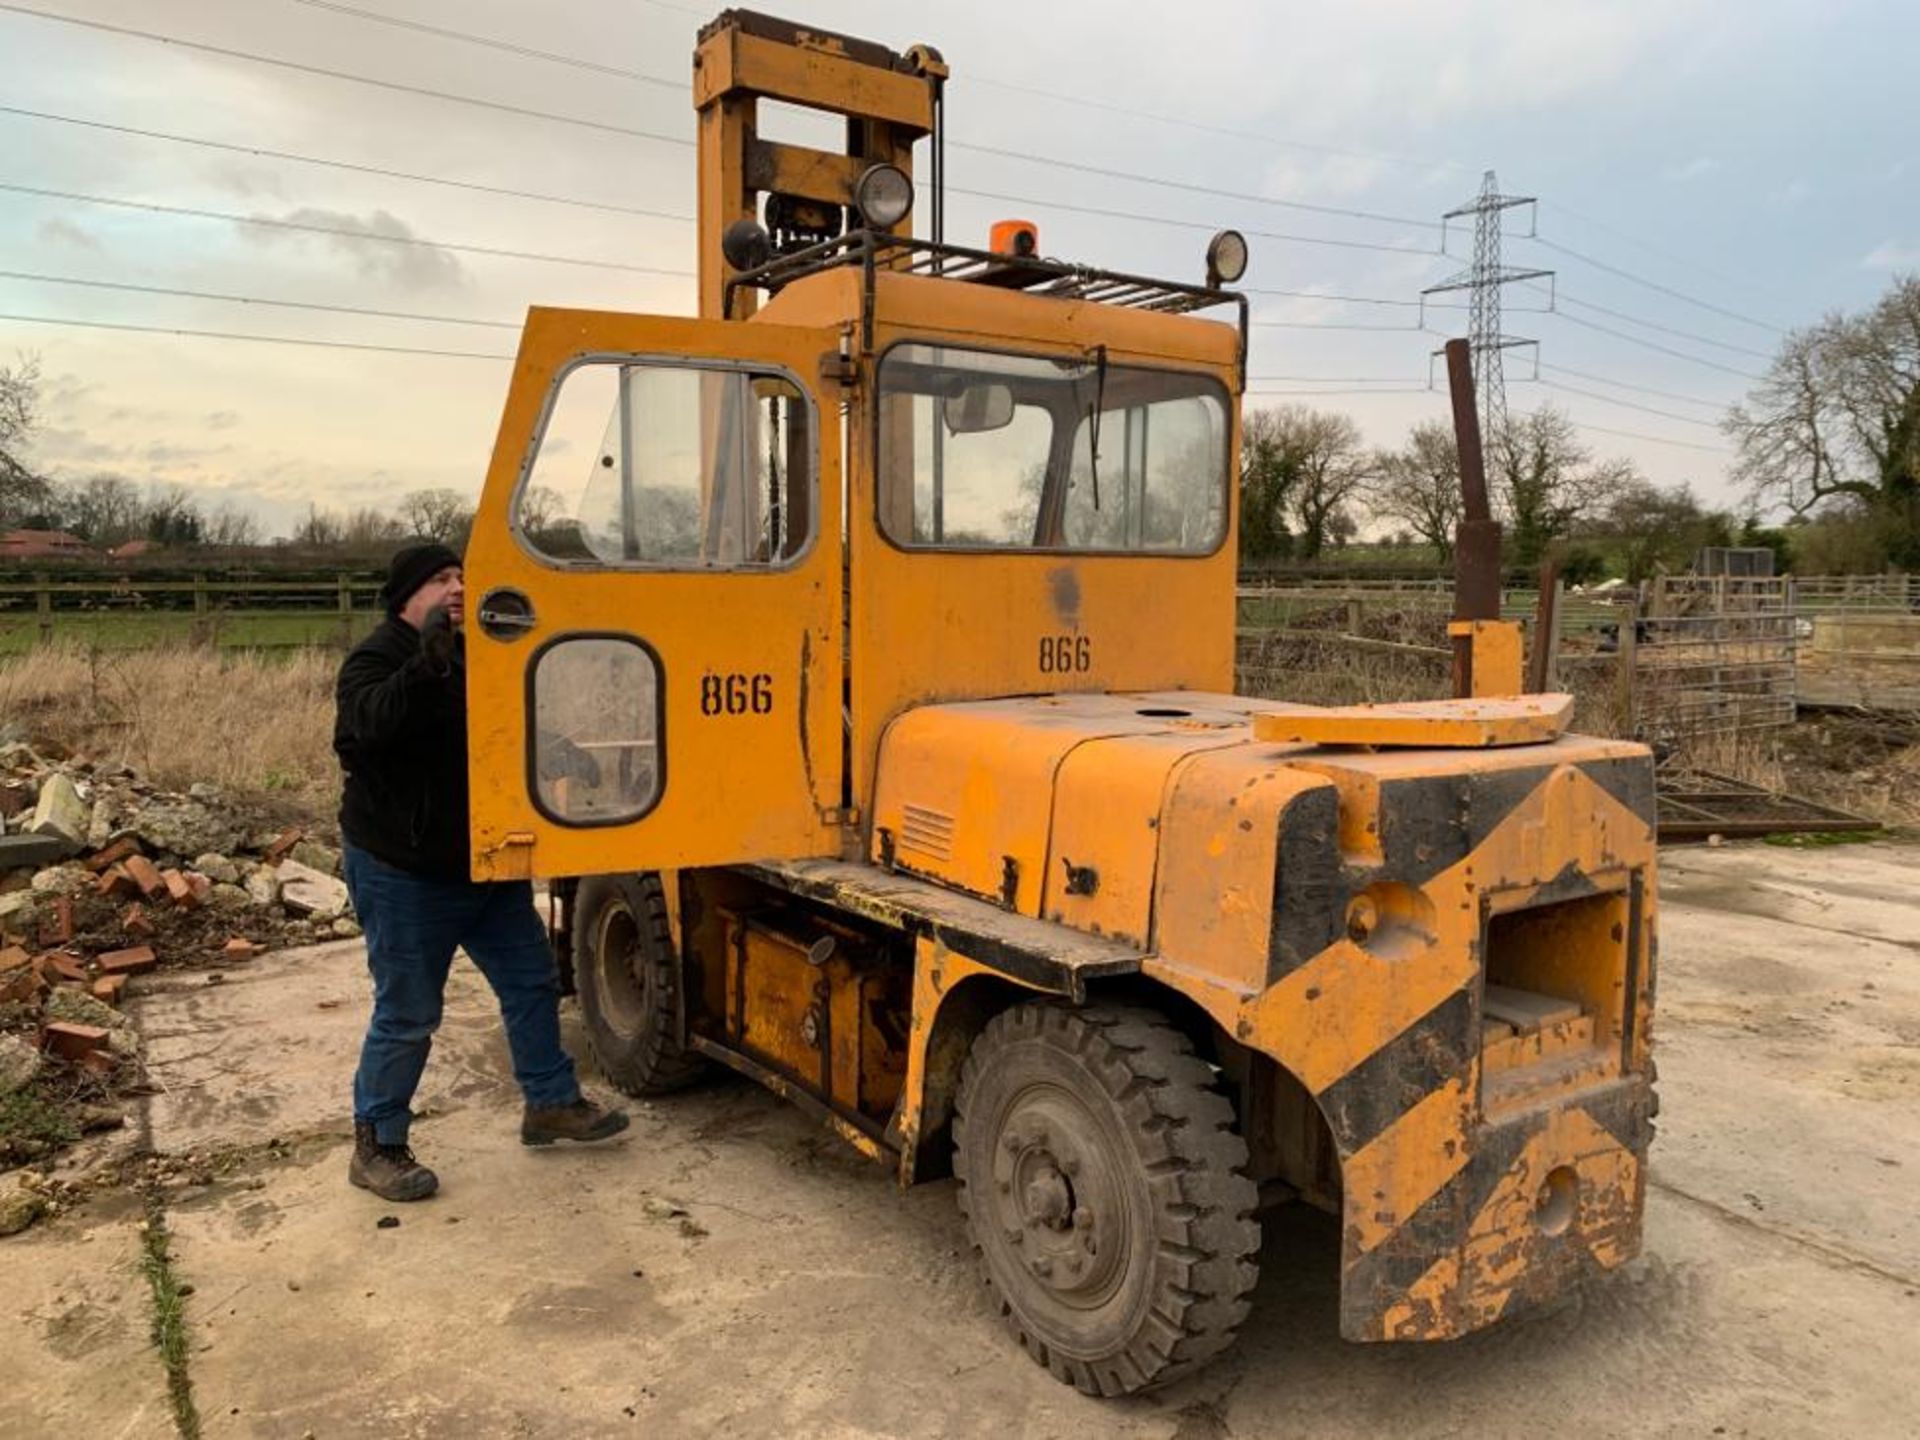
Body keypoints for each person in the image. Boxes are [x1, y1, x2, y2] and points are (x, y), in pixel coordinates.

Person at [334, 542, 628, 1202]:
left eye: (463, 575)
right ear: (406, 596)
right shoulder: (377, 659)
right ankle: (377, 1146)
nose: (458, 587)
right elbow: (365, 730)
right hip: (403, 870)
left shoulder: (473, 657)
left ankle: (550, 1104)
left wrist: (560, 752)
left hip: (484, 860)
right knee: (409, 1013)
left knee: (531, 982)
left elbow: (496, 728)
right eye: (441, 579)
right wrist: (425, 661)